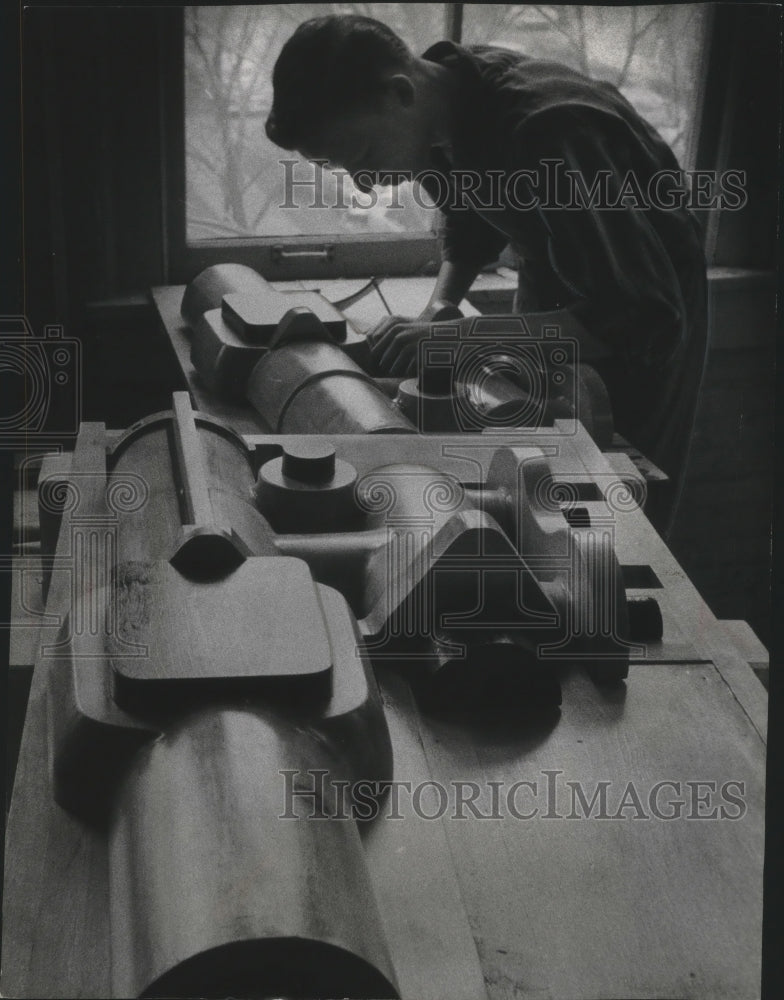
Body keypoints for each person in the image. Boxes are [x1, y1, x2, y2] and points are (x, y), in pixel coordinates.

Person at [265, 14, 708, 537]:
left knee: (609, 511)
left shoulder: (550, 128)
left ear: (400, 93)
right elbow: (468, 216)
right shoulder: (440, 107)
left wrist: (463, 338)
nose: (363, 186)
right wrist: (439, 310)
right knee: (534, 479)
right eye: (344, 169)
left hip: (645, 306)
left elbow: (639, 317)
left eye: (362, 157)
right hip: (553, 280)